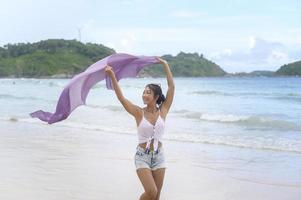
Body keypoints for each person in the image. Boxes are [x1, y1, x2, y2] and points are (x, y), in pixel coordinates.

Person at [105, 57, 175, 200]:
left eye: (148, 92)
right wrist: (112, 77)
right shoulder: (138, 112)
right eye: (144, 92)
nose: (144, 94)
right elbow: (122, 98)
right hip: (142, 156)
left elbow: (171, 87)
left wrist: (165, 64)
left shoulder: (163, 110)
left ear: (156, 96)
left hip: (159, 156)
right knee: (151, 192)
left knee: (157, 197)